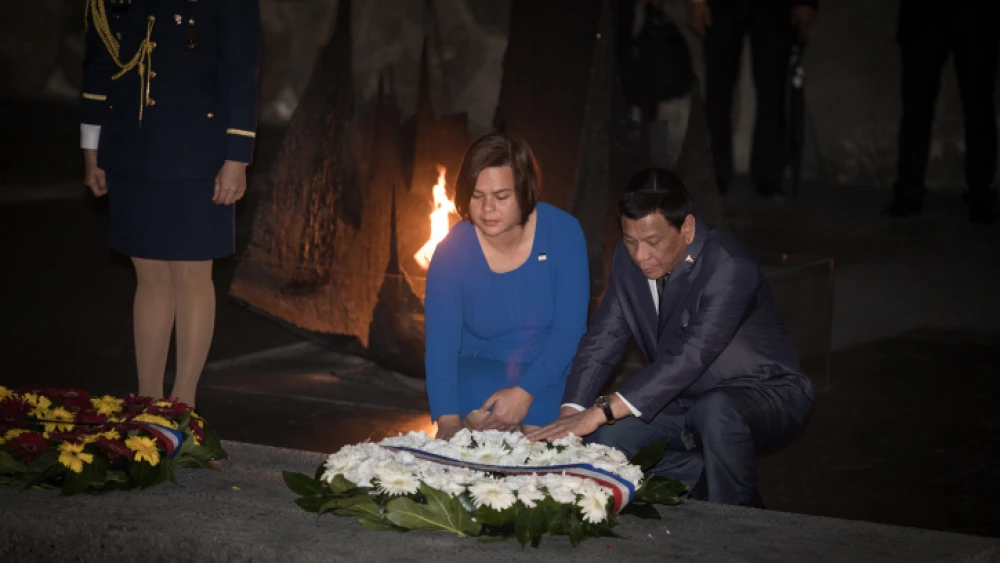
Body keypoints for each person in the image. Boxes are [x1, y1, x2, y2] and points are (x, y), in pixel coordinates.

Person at [528, 167, 813, 507]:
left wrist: (602, 408)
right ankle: (699, 477)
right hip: (682, 401)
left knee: (716, 412)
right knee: (606, 437)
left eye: (653, 241)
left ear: (687, 228)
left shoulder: (730, 265)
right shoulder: (626, 258)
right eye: (630, 241)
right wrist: (571, 414)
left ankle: (737, 526)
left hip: (766, 393)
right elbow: (603, 339)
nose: (639, 256)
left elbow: (691, 355)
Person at [80, 0, 261, 408]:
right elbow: (97, 65)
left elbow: (240, 72)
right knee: (150, 278)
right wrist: (92, 147)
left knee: (192, 275)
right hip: (131, 145)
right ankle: (146, 404)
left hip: (199, 149)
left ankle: (183, 408)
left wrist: (237, 156)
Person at [423, 133, 591, 440]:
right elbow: (440, 345)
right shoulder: (453, 249)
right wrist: (447, 424)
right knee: (480, 439)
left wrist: (524, 394)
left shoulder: (563, 233)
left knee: (540, 441)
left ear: (525, 192)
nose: (488, 209)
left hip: (551, 365)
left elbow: (569, 331)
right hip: (478, 365)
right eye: (477, 196)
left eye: (501, 197)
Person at [882, 2, 998, 224]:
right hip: (926, 15)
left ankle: (981, 195)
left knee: (978, 104)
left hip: (974, 15)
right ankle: (909, 190)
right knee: (916, 105)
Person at [689, 0, 817, 198]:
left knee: (773, 93)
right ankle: (712, 173)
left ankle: (769, 176)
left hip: (774, 8)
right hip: (722, 7)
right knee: (717, 90)